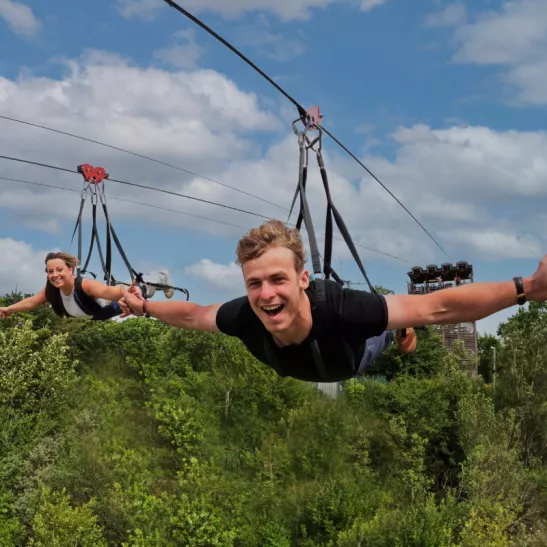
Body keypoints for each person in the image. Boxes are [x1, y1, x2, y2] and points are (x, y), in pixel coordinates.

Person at [118, 219, 543, 383]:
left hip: (351, 354)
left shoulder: (342, 308)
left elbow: (439, 307)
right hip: (315, 363)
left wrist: (527, 287)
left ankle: (397, 334)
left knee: (387, 326)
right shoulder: (244, 315)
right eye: (254, 283)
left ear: (304, 279)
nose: (266, 295)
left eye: (278, 279)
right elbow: (194, 315)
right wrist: (144, 307)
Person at [0, 251, 174, 321]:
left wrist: (123, 292)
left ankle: (161, 277)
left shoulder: (84, 285)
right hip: (96, 314)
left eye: (59, 270)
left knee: (141, 291)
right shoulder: (51, 291)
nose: (54, 275)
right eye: (50, 271)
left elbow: (108, 292)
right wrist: (9, 309)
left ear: (70, 270)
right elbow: (31, 302)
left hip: (108, 307)